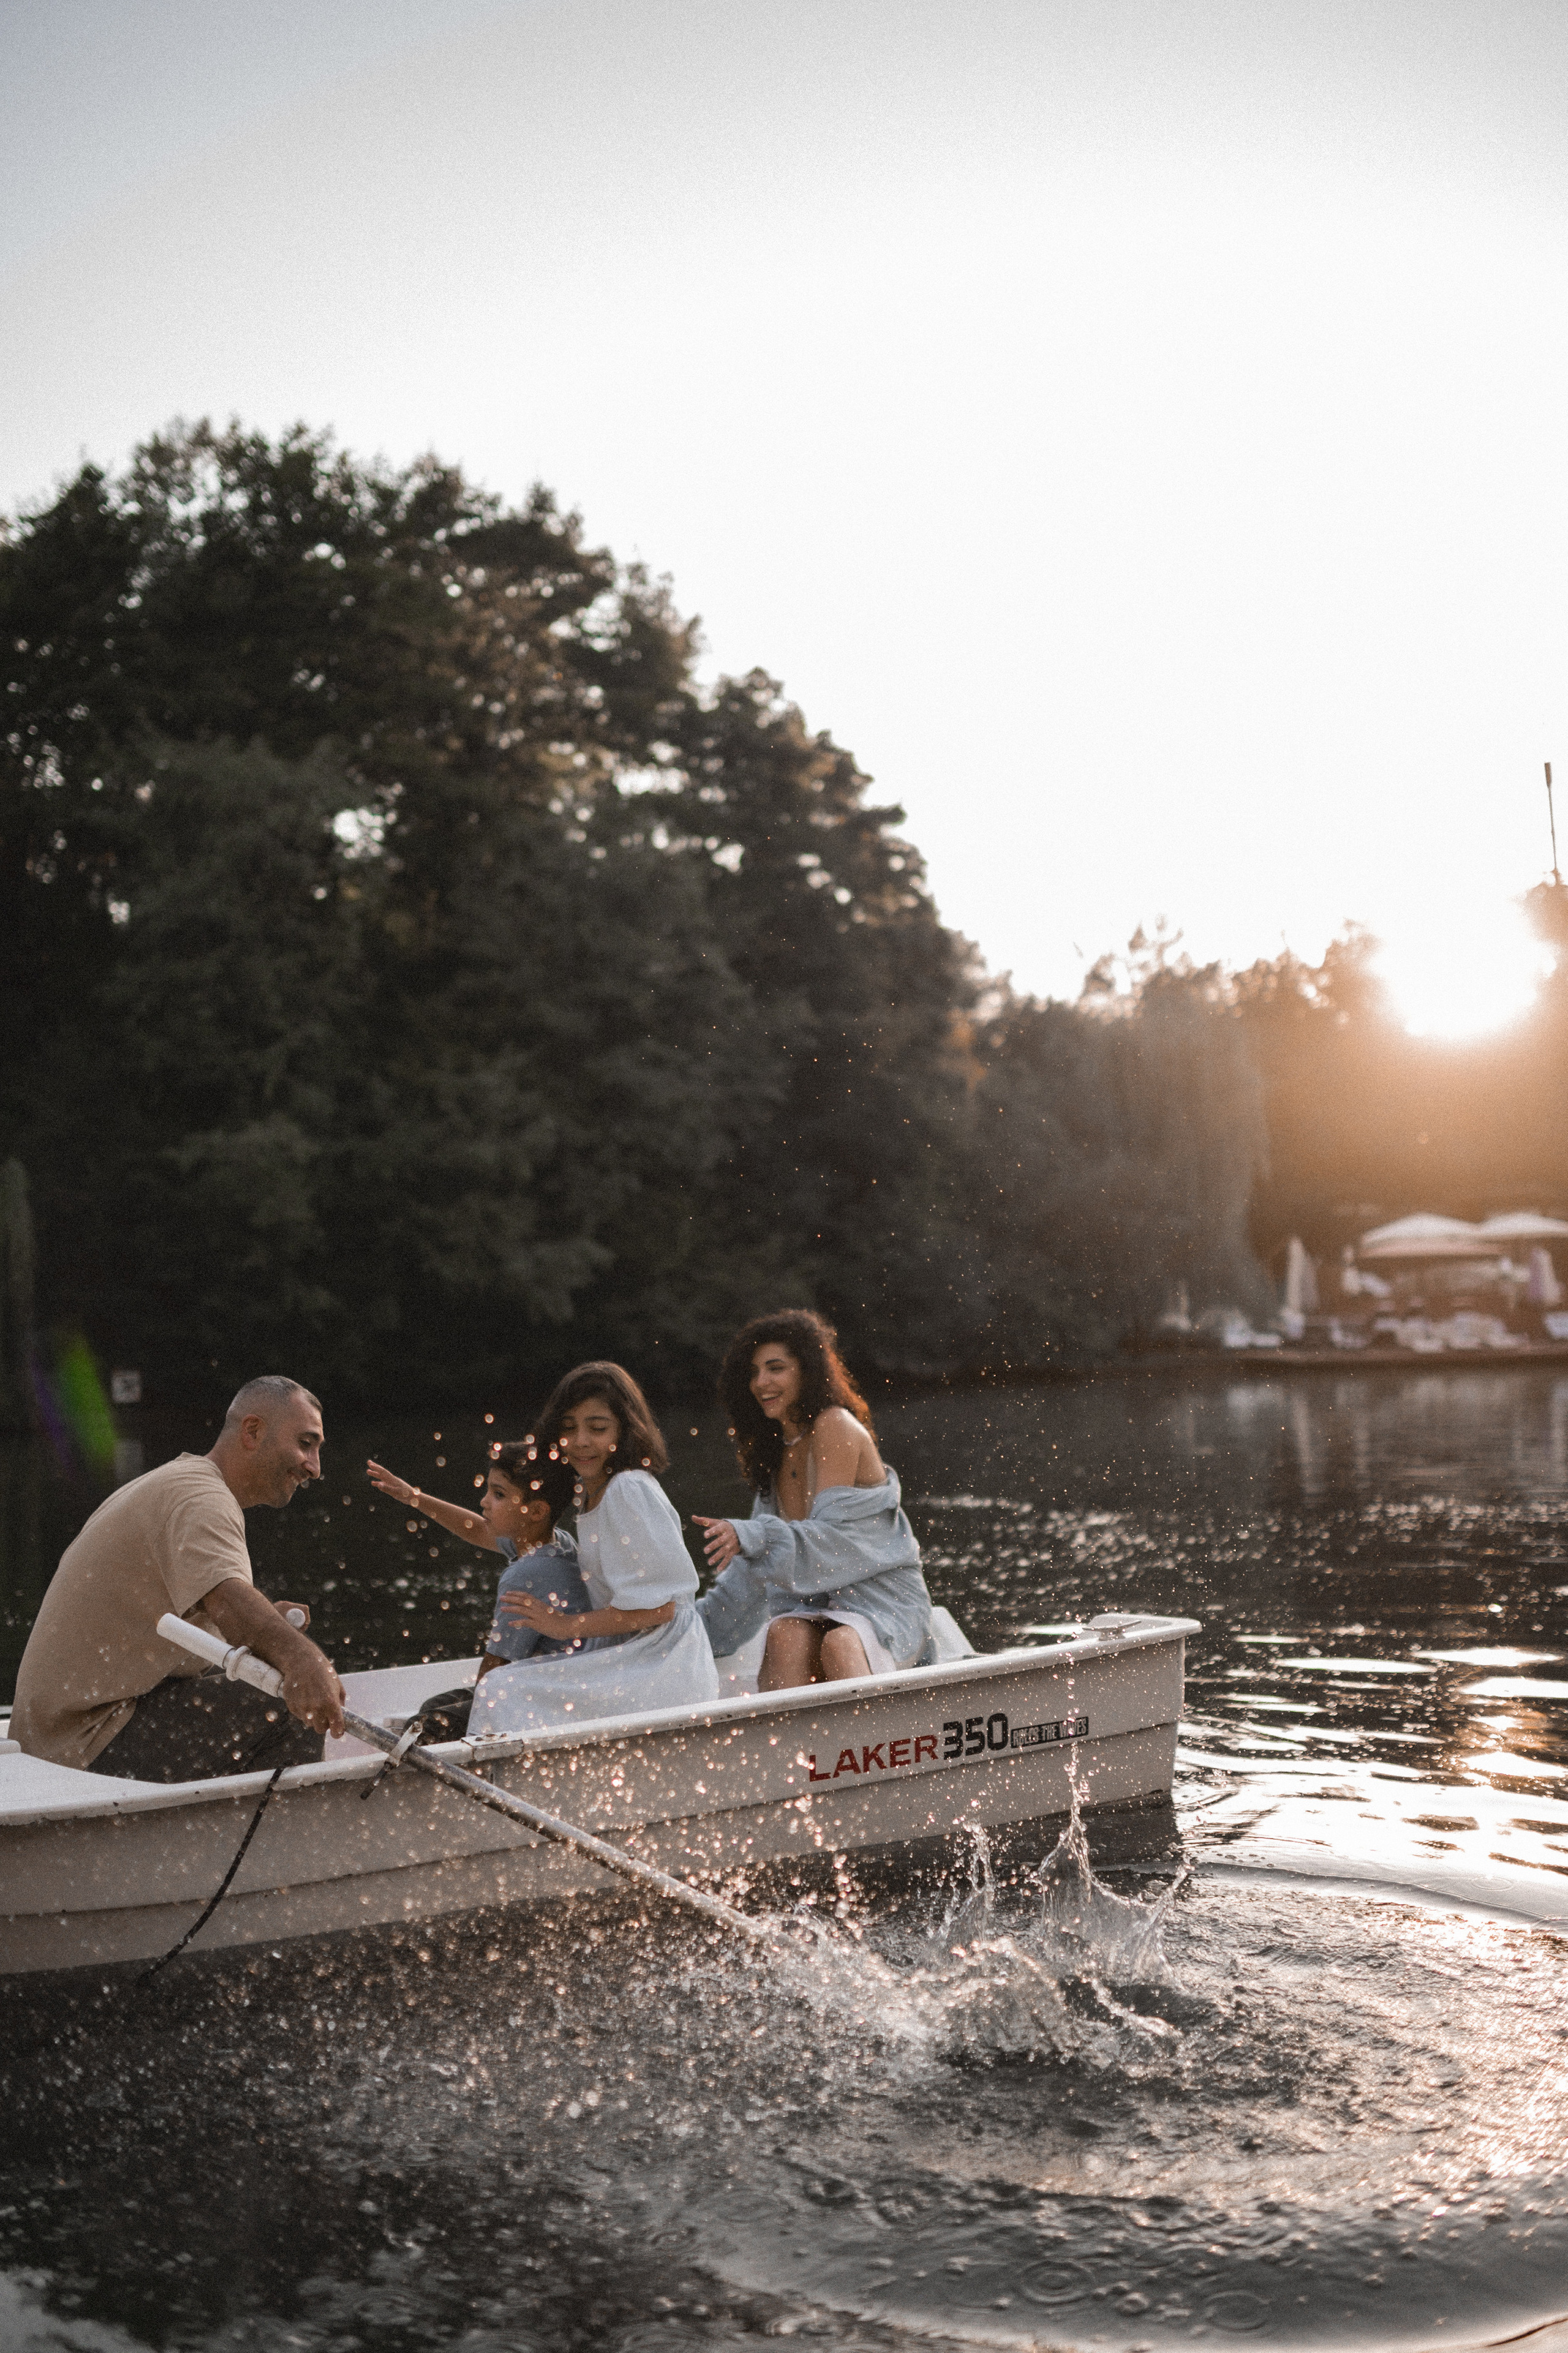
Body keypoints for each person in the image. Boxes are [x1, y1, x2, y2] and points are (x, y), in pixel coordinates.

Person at [10, 1376, 345, 1781]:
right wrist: (303, 1659)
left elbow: (210, 1620)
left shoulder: (184, 1485)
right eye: (306, 1444)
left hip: (54, 1742)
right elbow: (230, 1604)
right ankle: (280, 1844)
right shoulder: (203, 1499)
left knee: (271, 1678)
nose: (315, 1467)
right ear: (253, 1431)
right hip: (81, 1746)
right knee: (292, 1713)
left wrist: (266, 1625)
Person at [467, 1363, 718, 1737]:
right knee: (509, 1683)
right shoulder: (594, 1492)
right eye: (568, 1428)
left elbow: (661, 1607)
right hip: (632, 1654)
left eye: (598, 1428)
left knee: (500, 1689)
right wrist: (417, 1499)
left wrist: (564, 1625)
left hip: (664, 1664)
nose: (581, 1440)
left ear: (625, 1429)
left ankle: (500, 1787)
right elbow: (493, 1534)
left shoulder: (628, 1489)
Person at [693, 1309, 934, 1687]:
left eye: (776, 1368)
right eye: (754, 1372)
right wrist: (677, 1635)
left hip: (883, 1608)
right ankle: (788, 1749)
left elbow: (830, 1549)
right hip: (816, 1612)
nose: (761, 1382)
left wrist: (754, 1536)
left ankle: (870, 1745)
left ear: (806, 1370)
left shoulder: (834, 1426)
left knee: (840, 1644)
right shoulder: (773, 1455)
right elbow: (750, 1579)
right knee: (784, 1634)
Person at [364, 1439, 589, 1733]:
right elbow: (478, 1529)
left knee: (427, 1725)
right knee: (440, 1705)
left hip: (539, 1703)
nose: (484, 1502)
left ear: (535, 1512)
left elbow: (494, 1671)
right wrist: (414, 1498)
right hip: (559, 1690)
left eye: (498, 1494)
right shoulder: (558, 1544)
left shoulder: (524, 1575)